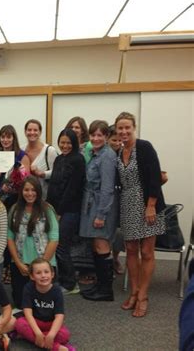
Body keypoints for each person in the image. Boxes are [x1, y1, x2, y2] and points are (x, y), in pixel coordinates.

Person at [115, 112, 166, 318]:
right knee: (130, 249)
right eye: (120, 128)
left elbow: (155, 176)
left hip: (147, 204)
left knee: (146, 252)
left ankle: (143, 295)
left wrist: (151, 205)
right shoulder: (119, 151)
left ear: (134, 127)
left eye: (127, 127)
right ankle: (134, 292)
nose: (124, 131)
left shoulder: (144, 147)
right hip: (127, 204)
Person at [79, 120, 118, 302]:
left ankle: (105, 289)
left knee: (102, 245)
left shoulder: (107, 156)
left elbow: (108, 188)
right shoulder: (95, 154)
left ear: (107, 137)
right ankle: (100, 284)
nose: (95, 138)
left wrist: (101, 215)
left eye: (99, 135)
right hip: (91, 204)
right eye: (93, 135)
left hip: (102, 206)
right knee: (96, 245)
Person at [7, 176, 59, 308]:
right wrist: (18, 263)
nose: (30, 193)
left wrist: (41, 266)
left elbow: (54, 238)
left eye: (33, 190)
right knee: (21, 303)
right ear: (21, 191)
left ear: (39, 191)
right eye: (26, 190)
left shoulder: (47, 210)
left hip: (43, 265)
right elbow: (10, 237)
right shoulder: (15, 209)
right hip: (21, 264)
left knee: (42, 304)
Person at [47, 129, 85, 295]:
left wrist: (60, 211)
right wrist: (48, 208)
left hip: (69, 210)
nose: (65, 146)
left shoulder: (78, 160)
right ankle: (61, 279)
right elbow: (53, 184)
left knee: (61, 246)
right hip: (55, 209)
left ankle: (70, 284)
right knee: (54, 245)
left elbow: (72, 189)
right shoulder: (59, 159)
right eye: (62, 142)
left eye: (68, 143)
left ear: (74, 143)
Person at [15, 258, 73, 351]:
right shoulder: (28, 287)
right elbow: (28, 313)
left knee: (64, 335)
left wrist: (51, 334)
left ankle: (31, 338)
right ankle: (55, 346)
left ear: (52, 274)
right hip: (35, 321)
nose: (43, 276)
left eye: (46, 272)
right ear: (32, 276)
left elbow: (59, 316)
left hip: (50, 324)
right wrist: (37, 333)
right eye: (38, 273)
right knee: (19, 323)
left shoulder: (57, 290)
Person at [0, 124, 31, 209]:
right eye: (2, 137)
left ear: (13, 138)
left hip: (16, 197)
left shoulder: (22, 156)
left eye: (8, 137)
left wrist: (12, 187)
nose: (5, 140)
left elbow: (26, 180)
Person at [23, 119, 57, 200]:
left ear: (40, 132)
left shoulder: (49, 150)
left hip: (44, 198)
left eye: (35, 130)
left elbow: (57, 172)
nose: (32, 132)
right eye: (29, 130)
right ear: (25, 132)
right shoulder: (21, 150)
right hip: (25, 198)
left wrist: (42, 174)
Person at [107, 125, 125, 275]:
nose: (117, 143)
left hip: (120, 197)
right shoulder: (102, 153)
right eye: (114, 140)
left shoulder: (125, 155)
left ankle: (115, 257)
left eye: (120, 140)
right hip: (104, 198)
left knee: (118, 232)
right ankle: (104, 260)